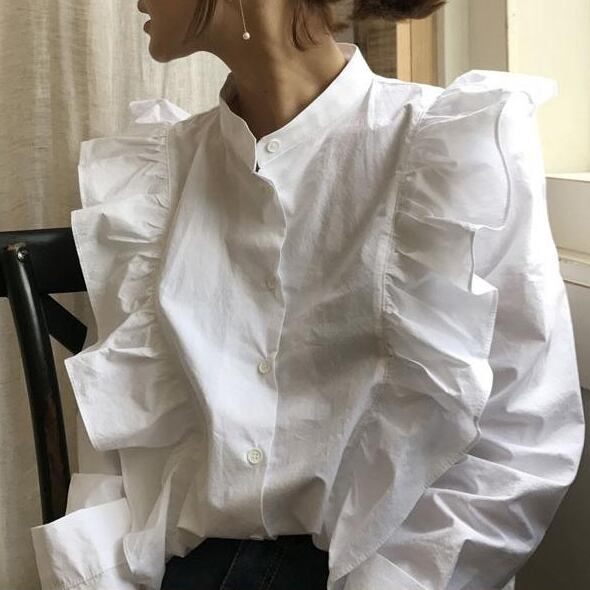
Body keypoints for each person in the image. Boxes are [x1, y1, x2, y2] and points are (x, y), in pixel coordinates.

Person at [30, 0, 585, 589]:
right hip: (182, 570)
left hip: (384, 572)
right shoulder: (153, 184)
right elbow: (113, 449)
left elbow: (522, 436)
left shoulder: (454, 150)